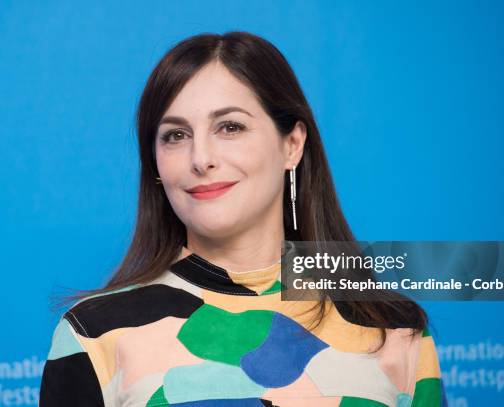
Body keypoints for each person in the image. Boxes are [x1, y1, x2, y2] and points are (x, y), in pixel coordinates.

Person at [39, 31, 446, 407]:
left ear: (292, 144)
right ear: (156, 164)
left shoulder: (393, 327)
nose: (201, 159)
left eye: (230, 127)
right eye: (175, 135)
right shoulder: (93, 334)